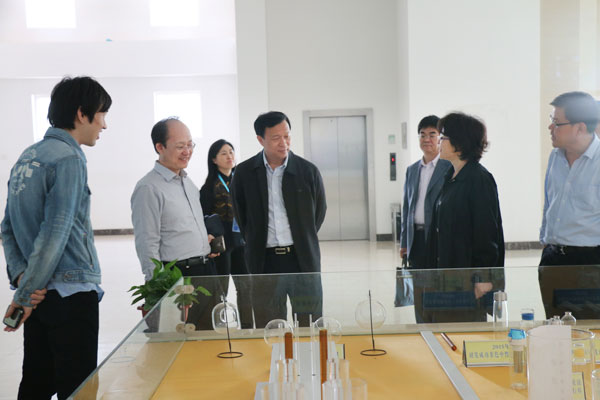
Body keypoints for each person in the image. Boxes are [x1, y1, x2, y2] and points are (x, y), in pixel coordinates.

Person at [1, 76, 111, 399]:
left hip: (40, 295)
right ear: (81, 114)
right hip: (70, 295)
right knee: (78, 389)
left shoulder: (28, 156)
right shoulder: (69, 159)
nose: (104, 125)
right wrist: (24, 294)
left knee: (35, 384)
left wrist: (24, 280)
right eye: (101, 114)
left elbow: (7, 227)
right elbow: (56, 231)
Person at [231, 111, 327, 327]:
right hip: (265, 261)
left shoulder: (307, 171)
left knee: (309, 323)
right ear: (260, 140)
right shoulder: (244, 173)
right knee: (270, 325)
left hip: (302, 259)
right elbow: (242, 215)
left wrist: (303, 236)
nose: (283, 143)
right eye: (276, 138)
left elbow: (318, 213)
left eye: (287, 136)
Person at [131, 117, 220, 330]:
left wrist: (204, 241)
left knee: (208, 337)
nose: (187, 151)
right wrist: (158, 288)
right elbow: (147, 243)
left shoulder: (188, 182)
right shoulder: (148, 188)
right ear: (159, 147)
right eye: (180, 146)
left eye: (190, 145)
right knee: (178, 340)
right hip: (177, 278)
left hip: (205, 271)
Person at [422, 112, 505, 323]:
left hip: (467, 282)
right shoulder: (450, 176)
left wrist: (484, 279)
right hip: (446, 277)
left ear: (460, 143)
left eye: (443, 137)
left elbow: (487, 233)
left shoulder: (478, 178)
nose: (439, 142)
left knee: (462, 333)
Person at [538, 91, 600, 319]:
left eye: (556, 122)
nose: (550, 127)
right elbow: (550, 203)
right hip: (553, 259)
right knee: (556, 329)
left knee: (588, 330)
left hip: (589, 263)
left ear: (580, 127)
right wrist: (546, 241)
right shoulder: (555, 157)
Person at [200, 139, 253, 328]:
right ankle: (219, 325)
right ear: (214, 159)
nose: (229, 156)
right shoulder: (208, 188)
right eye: (223, 153)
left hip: (242, 243)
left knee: (246, 286)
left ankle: (247, 325)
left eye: (231, 152)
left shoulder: (243, 182)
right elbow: (204, 217)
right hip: (221, 245)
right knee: (220, 288)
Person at [400, 115, 451, 268]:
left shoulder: (449, 168)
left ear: (440, 138)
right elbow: (407, 209)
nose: (426, 139)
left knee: (436, 278)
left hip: (437, 237)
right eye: (422, 135)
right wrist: (404, 242)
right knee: (416, 279)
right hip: (415, 238)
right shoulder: (412, 170)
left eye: (432, 134)